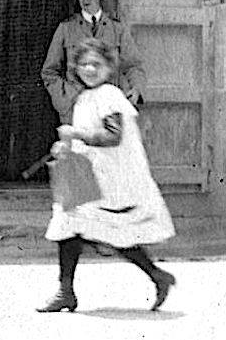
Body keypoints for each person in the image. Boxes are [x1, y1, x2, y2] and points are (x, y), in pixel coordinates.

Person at [37, 38, 175, 313]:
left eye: (96, 65)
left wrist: (76, 135)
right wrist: (65, 146)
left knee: (114, 234)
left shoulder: (111, 95)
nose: (89, 69)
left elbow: (112, 136)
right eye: (84, 64)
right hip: (91, 174)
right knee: (70, 225)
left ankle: (156, 275)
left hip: (113, 178)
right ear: (76, 67)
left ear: (109, 67)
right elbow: (83, 137)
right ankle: (66, 291)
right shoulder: (83, 98)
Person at [41, 0, 146, 123]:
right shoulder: (66, 29)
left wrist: (136, 89)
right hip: (77, 111)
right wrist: (66, 100)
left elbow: (133, 66)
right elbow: (49, 72)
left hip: (110, 110)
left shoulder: (117, 29)